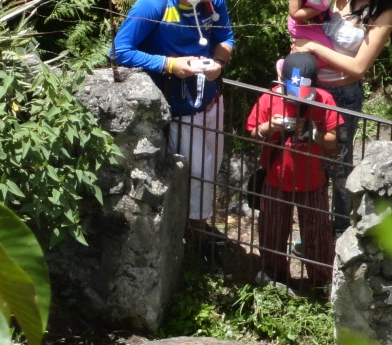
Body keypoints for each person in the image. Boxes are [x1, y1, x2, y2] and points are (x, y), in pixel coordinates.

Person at [112, 0, 235, 229]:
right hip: (178, 111)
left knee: (209, 171)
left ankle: (198, 225)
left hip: (210, 102)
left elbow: (226, 38)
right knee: (194, 175)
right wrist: (168, 64)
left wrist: (218, 63)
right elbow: (119, 51)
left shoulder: (213, 2)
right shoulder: (153, 5)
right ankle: (194, 237)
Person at [289, 0, 392, 238]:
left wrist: (313, 47)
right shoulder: (337, 1)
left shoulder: (384, 11)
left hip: (342, 96)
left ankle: (340, 229)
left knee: (338, 163)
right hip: (312, 91)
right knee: (309, 157)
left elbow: (359, 67)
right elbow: (299, 16)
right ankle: (312, 229)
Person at [246, 53, 342, 286]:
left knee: (318, 234)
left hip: (314, 182)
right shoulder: (269, 99)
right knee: (272, 231)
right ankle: (273, 276)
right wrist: (271, 126)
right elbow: (252, 132)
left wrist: (316, 134)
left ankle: (322, 283)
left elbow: (334, 141)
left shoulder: (324, 99)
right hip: (276, 179)